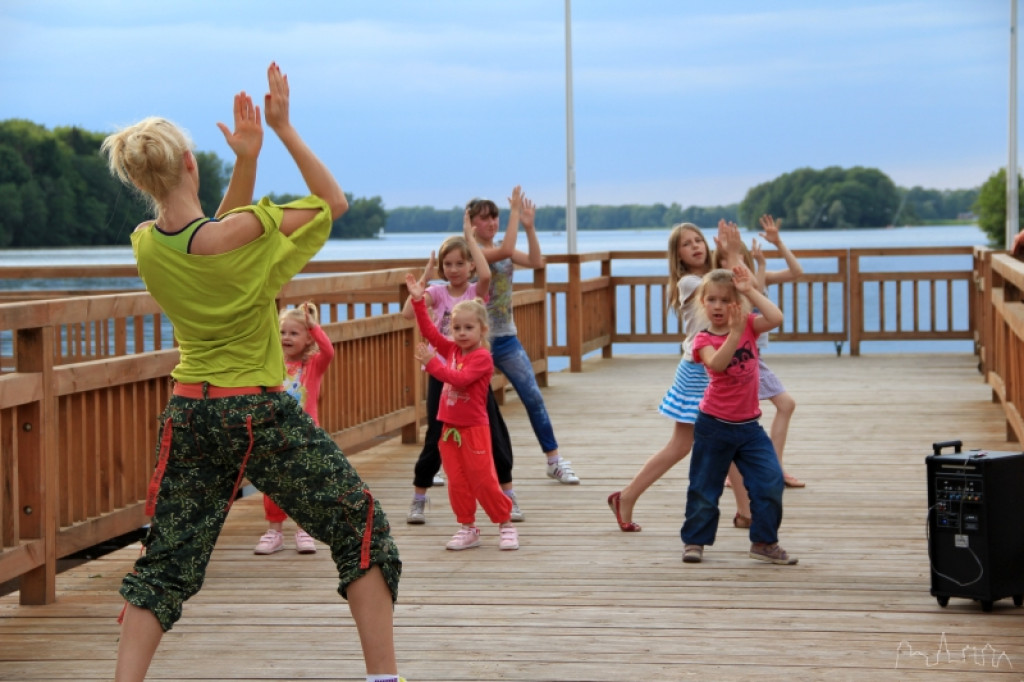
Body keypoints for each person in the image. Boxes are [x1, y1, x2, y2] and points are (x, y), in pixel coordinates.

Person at [101, 62, 403, 682]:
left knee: (166, 563)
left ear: (141, 180)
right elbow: (331, 202)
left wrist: (246, 162)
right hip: (255, 412)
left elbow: (205, 236)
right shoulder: (245, 238)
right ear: (190, 163)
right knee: (361, 525)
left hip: (190, 411)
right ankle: (383, 678)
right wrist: (282, 131)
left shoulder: (144, 244)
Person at [606, 220, 742, 531]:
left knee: (729, 439)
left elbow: (739, 291)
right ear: (677, 256)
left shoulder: (713, 279)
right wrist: (731, 257)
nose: (696, 246)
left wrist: (729, 256)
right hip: (697, 371)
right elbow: (730, 288)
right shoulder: (691, 284)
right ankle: (626, 497)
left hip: (715, 368)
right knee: (682, 445)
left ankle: (746, 510)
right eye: (687, 243)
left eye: (698, 240)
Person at [402, 216, 522, 525]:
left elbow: (484, 273)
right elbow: (421, 325)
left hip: (471, 382)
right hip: (444, 374)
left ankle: (507, 495)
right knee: (436, 436)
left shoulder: (475, 293)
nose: (454, 269)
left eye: (460, 263)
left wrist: (470, 237)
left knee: (494, 436)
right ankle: (419, 496)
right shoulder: (438, 293)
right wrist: (423, 285)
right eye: (448, 264)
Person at [680, 264, 797, 565]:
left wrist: (750, 290)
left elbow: (777, 318)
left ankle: (764, 541)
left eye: (725, 299)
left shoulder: (749, 324)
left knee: (770, 481)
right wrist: (733, 334)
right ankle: (695, 541)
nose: (718, 306)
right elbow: (717, 364)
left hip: (749, 428)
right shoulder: (703, 340)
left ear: (736, 303)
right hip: (713, 426)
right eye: (712, 299)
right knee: (705, 488)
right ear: (703, 303)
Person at [469, 188, 580, 484]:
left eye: (495, 217)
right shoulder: (470, 252)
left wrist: (529, 228)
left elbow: (535, 261)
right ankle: (447, 461)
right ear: (471, 224)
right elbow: (505, 250)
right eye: (485, 219)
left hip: (505, 337)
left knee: (532, 395)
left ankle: (554, 460)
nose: (492, 222)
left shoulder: (502, 249)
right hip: (473, 341)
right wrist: (515, 213)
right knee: (462, 403)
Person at [253, 301, 334, 555]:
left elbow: (329, 351)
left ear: (308, 339)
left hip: (305, 436)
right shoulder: (272, 364)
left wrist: (314, 325)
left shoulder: (313, 365)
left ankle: (304, 530)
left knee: (305, 483)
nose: (286, 337)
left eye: (294, 333)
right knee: (273, 483)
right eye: (283, 332)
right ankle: (274, 531)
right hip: (275, 433)